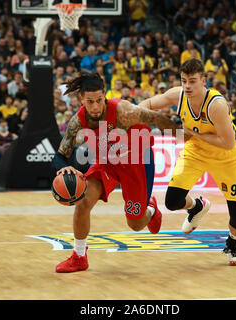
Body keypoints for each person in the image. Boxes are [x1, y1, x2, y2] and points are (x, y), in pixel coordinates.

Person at [54, 73, 179, 273]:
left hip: (136, 162)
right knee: (83, 202)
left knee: (135, 224)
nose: (95, 106)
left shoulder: (123, 110)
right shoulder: (78, 121)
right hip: (107, 163)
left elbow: (158, 119)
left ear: (105, 96)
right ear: (81, 100)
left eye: (99, 101)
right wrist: (63, 166)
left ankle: (151, 209)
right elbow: (60, 155)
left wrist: (186, 135)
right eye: (90, 102)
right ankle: (79, 257)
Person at [139, 59, 236, 266]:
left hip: (226, 157)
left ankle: (233, 244)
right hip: (196, 152)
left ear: (203, 81)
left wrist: (193, 133)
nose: (187, 86)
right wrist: (138, 114)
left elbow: (228, 143)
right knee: (172, 201)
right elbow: (149, 103)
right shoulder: (178, 95)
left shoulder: (216, 105)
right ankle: (197, 206)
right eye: (184, 81)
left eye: (193, 81)